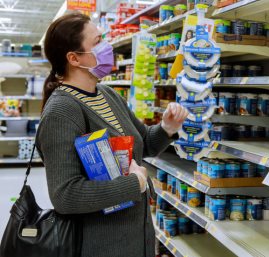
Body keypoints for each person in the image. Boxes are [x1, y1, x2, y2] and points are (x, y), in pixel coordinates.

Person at [36, 13, 188, 257]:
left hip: (134, 238)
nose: (107, 48)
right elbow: (65, 195)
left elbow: (144, 143)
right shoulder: (62, 112)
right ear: (74, 58)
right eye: (97, 42)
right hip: (100, 245)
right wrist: (134, 184)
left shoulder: (107, 94)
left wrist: (167, 128)